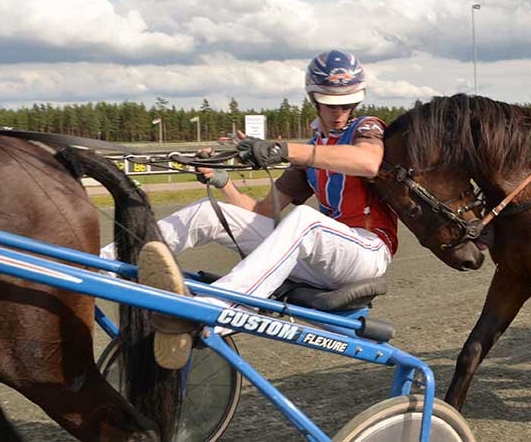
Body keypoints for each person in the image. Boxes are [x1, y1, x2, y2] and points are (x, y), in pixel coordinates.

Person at [107, 50, 398, 369]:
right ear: (313, 99)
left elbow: (368, 162)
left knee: (305, 220)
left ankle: (216, 310)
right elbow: (261, 211)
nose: (340, 112)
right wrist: (222, 181)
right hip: (326, 257)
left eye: (347, 104)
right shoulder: (313, 152)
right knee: (210, 211)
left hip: (368, 253)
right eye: (330, 103)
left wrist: (285, 149)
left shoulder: (366, 128)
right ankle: (105, 261)